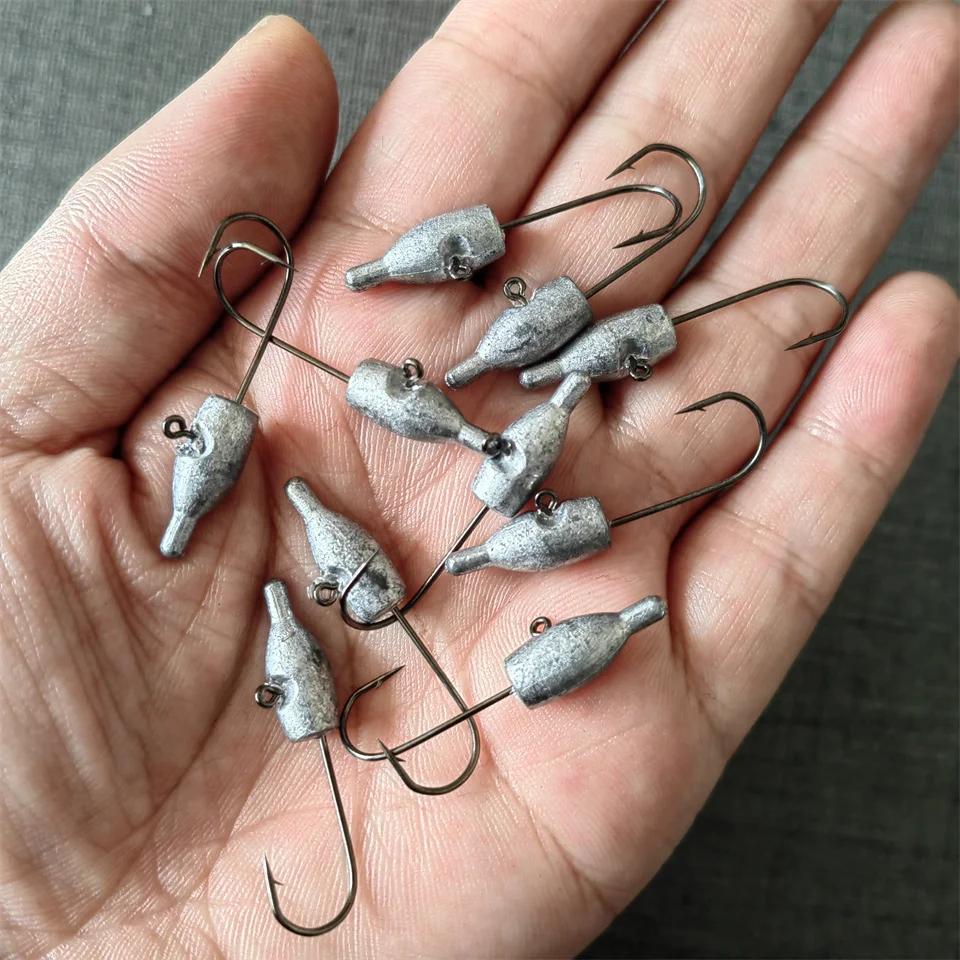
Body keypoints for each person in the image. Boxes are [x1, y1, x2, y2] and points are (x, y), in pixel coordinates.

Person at [1, 3, 956, 957]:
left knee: (508, 460)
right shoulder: (383, 496)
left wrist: (532, 404)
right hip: (480, 469)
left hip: (512, 460)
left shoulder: (501, 443)